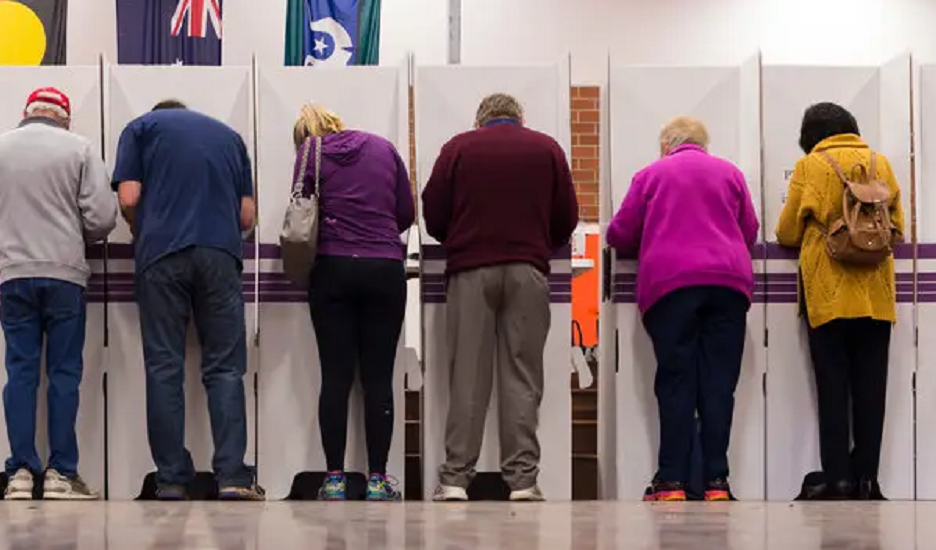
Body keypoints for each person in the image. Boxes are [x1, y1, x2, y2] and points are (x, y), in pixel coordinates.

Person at [422, 93, 577, 502]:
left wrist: (458, 238)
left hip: (470, 271)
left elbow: (432, 211)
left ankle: (455, 479)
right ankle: (523, 481)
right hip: (527, 270)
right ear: (519, 120)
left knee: (467, 377)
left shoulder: (457, 148)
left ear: (480, 120)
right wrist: (540, 240)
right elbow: (568, 215)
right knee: (522, 376)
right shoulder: (547, 149)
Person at [0, 87, 117, 500]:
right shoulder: (80, 148)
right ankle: (61, 475)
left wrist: (14, 233)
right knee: (64, 374)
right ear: (64, 117)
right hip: (65, 274)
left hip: (14, 275)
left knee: (21, 373)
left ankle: (20, 474)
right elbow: (102, 219)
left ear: (26, 113)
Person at [113, 100, 263, 501]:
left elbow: (128, 197)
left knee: (165, 366)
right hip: (219, 254)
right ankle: (232, 477)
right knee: (225, 369)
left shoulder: (140, 128)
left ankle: (172, 480)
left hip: (161, 255)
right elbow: (246, 216)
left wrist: (143, 228)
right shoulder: (230, 138)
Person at [606, 117, 758, 502]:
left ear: (666, 145)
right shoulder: (731, 174)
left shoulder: (651, 175)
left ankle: (672, 481)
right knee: (719, 384)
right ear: (703, 144)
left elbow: (620, 234)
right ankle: (716, 483)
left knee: (676, 380)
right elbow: (750, 230)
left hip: (671, 286)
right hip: (727, 285)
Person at [775, 102, 903, 501]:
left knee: (833, 390)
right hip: (876, 295)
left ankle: (840, 479)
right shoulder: (880, 163)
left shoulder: (810, 167)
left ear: (810, 135)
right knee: (871, 390)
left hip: (827, 296)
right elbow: (898, 225)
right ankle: (868, 480)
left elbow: (787, 230)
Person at [289, 104, 414, 501]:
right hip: (384, 268)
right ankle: (378, 480)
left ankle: (335, 479)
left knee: (336, 377)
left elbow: (300, 209)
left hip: (333, 269)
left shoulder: (311, 152)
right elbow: (406, 213)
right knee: (378, 379)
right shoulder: (385, 147)